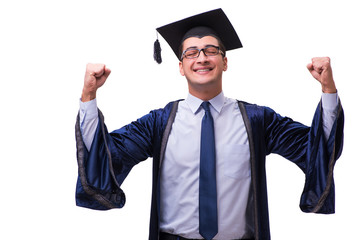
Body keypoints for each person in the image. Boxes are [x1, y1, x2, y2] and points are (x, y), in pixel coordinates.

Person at [75, 9, 344, 240]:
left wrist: (328, 90)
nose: (201, 58)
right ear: (181, 67)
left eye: (211, 50)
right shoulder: (159, 123)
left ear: (224, 62)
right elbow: (105, 155)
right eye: (191, 53)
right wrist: (89, 97)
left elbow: (318, 148)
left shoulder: (258, 121)